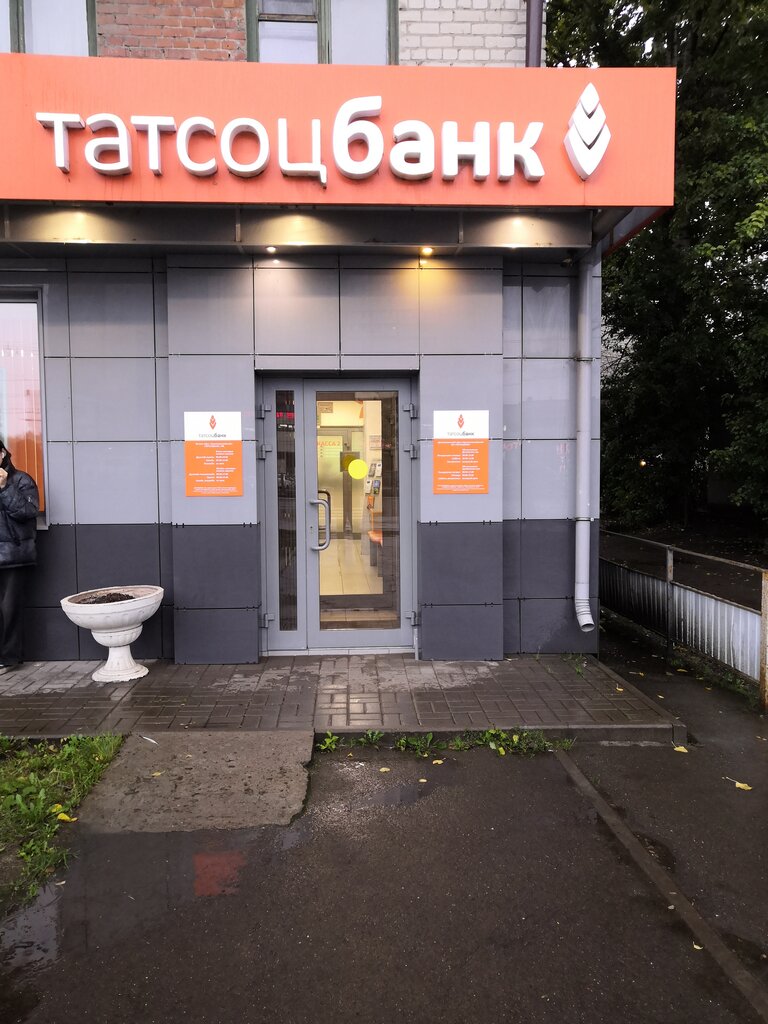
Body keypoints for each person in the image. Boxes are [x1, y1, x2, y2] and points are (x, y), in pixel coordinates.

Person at [0, 438, 39, 672]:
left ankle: (8, 657)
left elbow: (28, 511)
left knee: (9, 609)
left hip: (13, 556)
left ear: (3, 454)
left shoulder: (21, 480)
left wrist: (5, 488)